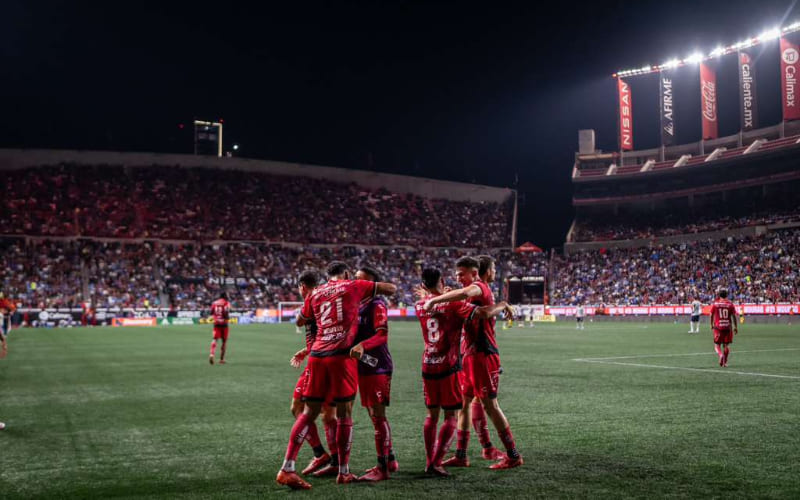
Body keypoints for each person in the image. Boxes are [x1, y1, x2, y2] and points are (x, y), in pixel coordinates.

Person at [276, 261, 397, 490]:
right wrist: (366, 287)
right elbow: (390, 289)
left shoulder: (317, 292)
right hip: (341, 357)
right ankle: (343, 472)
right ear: (347, 274)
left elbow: (301, 320)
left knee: (309, 411)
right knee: (344, 413)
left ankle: (287, 468)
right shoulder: (353, 285)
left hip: (317, 356)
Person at [424, 255, 523, 470]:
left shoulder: (478, 287)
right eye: (457, 274)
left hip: (482, 355)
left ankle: (513, 455)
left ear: (475, 273)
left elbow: (466, 294)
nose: (458, 278)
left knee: (491, 405)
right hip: (468, 355)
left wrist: (435, 299)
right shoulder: (471, 291)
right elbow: (460, 299)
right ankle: (461, 454)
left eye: (461, 274)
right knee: (464, 403)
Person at [349, 265, 398, 482]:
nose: (358, 283)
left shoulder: (377, 304)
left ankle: (382, 468)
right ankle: (390, 459)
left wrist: (362, 346)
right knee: (373, 414)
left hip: (377, 365)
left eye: (362, 280)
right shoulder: (360, 304)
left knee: (378, 417)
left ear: (372, 284)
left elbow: (382, 335)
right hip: (366, 364)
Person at [287, 270, 336, 476]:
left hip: (322, 361)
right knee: (321, 412)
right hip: (319, 357)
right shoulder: (324, 300)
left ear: (303, 286)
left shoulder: (316, 299)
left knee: (310, 410)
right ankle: (325, 456)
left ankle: (329, 458)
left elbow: (303, 322)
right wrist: (307, 349)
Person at [710, 289, 738, 367]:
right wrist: (735, 327)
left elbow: (711, 314)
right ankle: (724, 362)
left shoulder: (715, 304)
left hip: (718, 327)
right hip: (728, 327)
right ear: (727, 295)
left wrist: (711, 324)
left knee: (716, 345)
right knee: (726, 345)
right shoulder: (730, 304)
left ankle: (720, 355)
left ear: (719, 295)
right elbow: (734, 316)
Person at [208, 292, 230, 365]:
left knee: (214, 339)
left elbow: (211, 312)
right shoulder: (226, 303)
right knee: (224, 341)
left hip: (216, 323)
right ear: (225, 296)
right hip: (224, 324)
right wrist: (227, 318)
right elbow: (226, 313)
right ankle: (221, 359)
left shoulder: (214, 303)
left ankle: (212, 354)